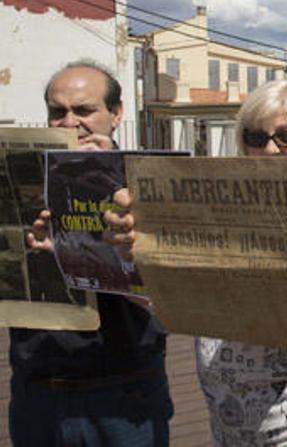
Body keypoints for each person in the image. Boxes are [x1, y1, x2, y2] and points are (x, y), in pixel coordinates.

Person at [105, 80, 287, 446]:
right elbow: (172, 308)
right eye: (256, 138)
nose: (270, 149)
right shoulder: (216, 209)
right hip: (225, 422)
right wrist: (134, 260)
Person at [10, 60, 173, 446]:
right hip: (38, 390)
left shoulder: (146, 182)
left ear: (115, 115)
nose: (70, 122)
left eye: (84, 110)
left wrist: (108, 174)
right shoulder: (22, 178)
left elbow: (172, 281)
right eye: (58, 111)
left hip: (123, 391)